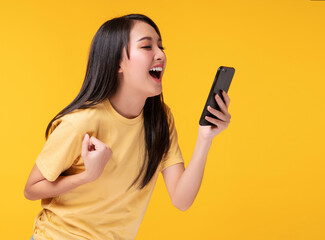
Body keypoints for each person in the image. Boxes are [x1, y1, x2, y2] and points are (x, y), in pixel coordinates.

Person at [24, 14, 231, 240]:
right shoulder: (81, 123)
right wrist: (87, 176)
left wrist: (205, 138)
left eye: (161, 46)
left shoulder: (160, 119)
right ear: (117, 63)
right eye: (147, 46)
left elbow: (181, 200)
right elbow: (32, 189)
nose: (160, 54)